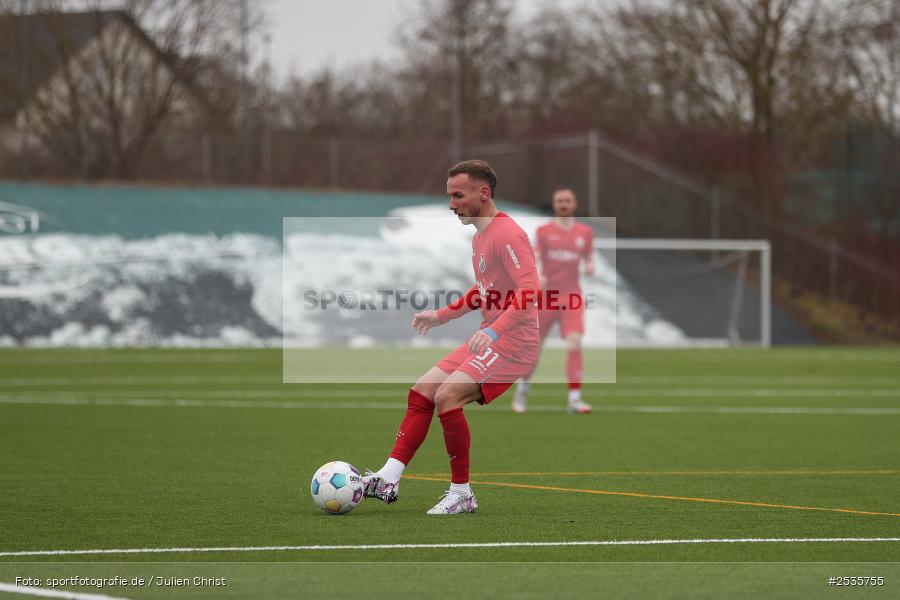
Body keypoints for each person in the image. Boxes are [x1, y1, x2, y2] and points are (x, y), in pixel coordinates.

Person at [363, 160, 541, 515]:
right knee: (423, 389)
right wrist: (441, 316)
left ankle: (462, 493)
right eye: (450, 196)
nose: (451, 204)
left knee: (447, 396)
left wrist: (493, 330)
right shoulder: (480, 237)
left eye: (458, 195)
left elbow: (530, 289)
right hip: (493, 337)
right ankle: (389, 477)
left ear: (483, 193)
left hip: (515, 343)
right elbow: (483, 290)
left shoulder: (507, 234)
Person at [512, 187, 595, 414]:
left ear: (574, 204)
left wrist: (590, 265)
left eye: (568, 200)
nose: (564, 204)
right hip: (547, 299)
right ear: (555, 204)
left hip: (572, 297)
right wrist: (539, 272)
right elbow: (536, 255)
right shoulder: (544, 231)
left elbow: (589, 256)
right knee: (533, 349)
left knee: (575, 343)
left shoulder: (585, 232)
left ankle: (575, 400)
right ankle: (522, 392)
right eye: (560, 201)